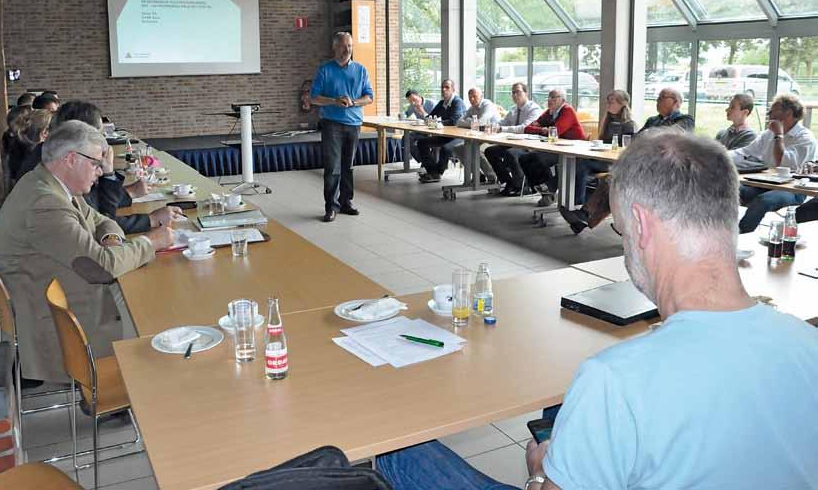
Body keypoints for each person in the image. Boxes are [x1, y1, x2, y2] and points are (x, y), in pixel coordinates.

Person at [376, 131, 818, 489]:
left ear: (641, 226)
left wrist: (539, 474)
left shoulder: (616, 379)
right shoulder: (808, 345)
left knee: (399, 449)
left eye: (623, 234)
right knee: (559, 413)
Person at [0, 121, 175, 382]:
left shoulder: (52, 185)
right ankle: (132, 397)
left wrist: (112, 239)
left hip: (61, 294)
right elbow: (101, 269)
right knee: (157, 323)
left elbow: (101, 220)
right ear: (70, 159)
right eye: (95, 164)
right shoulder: (45, 203)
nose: (100, 172)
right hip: (61, 326)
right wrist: (152, 242)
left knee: (148, 297)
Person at [15, 100, 182, 234]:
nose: (104, 141)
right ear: (80, 133)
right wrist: (151, 220)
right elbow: (98, 223)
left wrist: (123, 188)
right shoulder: (56, 168)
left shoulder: (51, 155)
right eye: (100, 135)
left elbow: (95, 208)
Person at [564, 89, 696, 234]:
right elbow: (636, 140)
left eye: (662, 97)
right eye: (658, 97)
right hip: (643, 165)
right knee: (612, 178)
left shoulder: (685, 120)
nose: (657, 100)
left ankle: (588, 217)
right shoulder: (653, 120)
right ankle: (585, 217)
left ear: (676, 102)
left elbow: (669, 136)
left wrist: (649, 135)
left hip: (664, 172)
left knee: (615, 178)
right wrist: (649, 137)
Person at [310, 32, 374, 222]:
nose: (348, 50)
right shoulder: (325, 70)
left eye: (350, 46)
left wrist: (354, 102)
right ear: (335, 47)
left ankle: (346, 202)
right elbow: (314, 97)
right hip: (332, 124)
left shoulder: (361, 70)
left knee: (349, 166)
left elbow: (369, 96)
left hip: (354, 124)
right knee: (333, 167)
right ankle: (331, 206)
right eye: (344, 46)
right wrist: (334, 101)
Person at [731, 93, 816, 233]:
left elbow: (783, 162)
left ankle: (739, 235)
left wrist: (778, 135)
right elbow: (746, 152)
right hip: (766, 184)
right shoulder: (768, 134)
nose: (769, 113)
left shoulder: (805, 138)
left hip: (792, 190)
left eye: (773, 110)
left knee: (763, 201)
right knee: (730, 189)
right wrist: (719, 156)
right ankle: (718, 230)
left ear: (788, 113)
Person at [559, 89, 636, 233]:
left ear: (621, 104)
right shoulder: (608, 119)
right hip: (602, 157)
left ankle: (578, 205)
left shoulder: (629, 124)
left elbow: (628, 148)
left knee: (583, 164)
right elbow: (603, 141)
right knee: (577, 162)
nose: (608, 104)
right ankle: (578, 213)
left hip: (615, 163)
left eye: (611, 101)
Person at [518, 88, 586, 201]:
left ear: (563, 100)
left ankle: (549, 189)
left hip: (574, 149)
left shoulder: (567, 110)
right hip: (556, 147)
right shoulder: (549, 112)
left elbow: (555, 132)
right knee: (524, 158)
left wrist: (544, 129)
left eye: (554, 97)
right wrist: (543, 130)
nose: (550, 100)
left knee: (537, 159)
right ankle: (545, 189)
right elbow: (528, 128)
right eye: (549, 97)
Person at [483, 82, 543, 194]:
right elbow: (503, 122)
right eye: (513, 92)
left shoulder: (534, 109)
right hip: (513, 142)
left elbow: (524, 128)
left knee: (510, 153)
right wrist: (493, 125)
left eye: (518, 92)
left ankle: (523, 187)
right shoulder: (513, 109)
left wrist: (502, 129)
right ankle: (508, 182)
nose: (515, 95)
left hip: (529, 144)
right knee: (490, 151)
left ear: (526, 93)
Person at [416, 79, 465, 183]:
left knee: (445, 149)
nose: (443, 89)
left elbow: (454, 121)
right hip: (445, 135)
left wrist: (437, 122)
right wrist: (425, 119)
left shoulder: (457, 102)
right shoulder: (442, 103)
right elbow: (430, 117)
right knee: (422, 143)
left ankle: (437, 173)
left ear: (453, 89)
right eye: (442, 87)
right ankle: (432, 171)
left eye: (447, 87)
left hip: (459, 136)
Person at [455, 87, 499, 183]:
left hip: (494, 137)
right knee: (457, 148)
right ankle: (478, 175)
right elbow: (458, 122)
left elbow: (481, 122)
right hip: (479, 136)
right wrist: (473, 123)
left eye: (475, 96)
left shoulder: (487, 105)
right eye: (470, 97)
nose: (472, 99)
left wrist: (469, 122)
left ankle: (492, 177)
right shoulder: (472, 108)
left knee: (475, 149)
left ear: (481, 96)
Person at [402, 89, 436, 163]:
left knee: (424, 142)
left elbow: (435, 122)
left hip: (433, 131)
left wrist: (422, 111)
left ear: (419, 96)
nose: (413, 103)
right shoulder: (412, 106)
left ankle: (426, 161)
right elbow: (406, 114)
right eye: (410, 101)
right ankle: (423, 160)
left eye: (414, 99)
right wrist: (402, 115)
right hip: (420, 131)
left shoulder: (431, 103)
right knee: (406, 138)